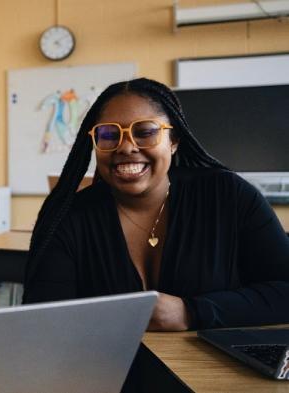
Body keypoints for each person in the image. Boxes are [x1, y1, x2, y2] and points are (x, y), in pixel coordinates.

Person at [22, 78, 289, 331]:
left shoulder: (228, 196)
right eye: (109, 135)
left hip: (213, 374)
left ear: (173, 141)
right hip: (106, 373)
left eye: (145, 132)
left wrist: (190, 312)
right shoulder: (67, 217)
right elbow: (43, 322)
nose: (126, 147)